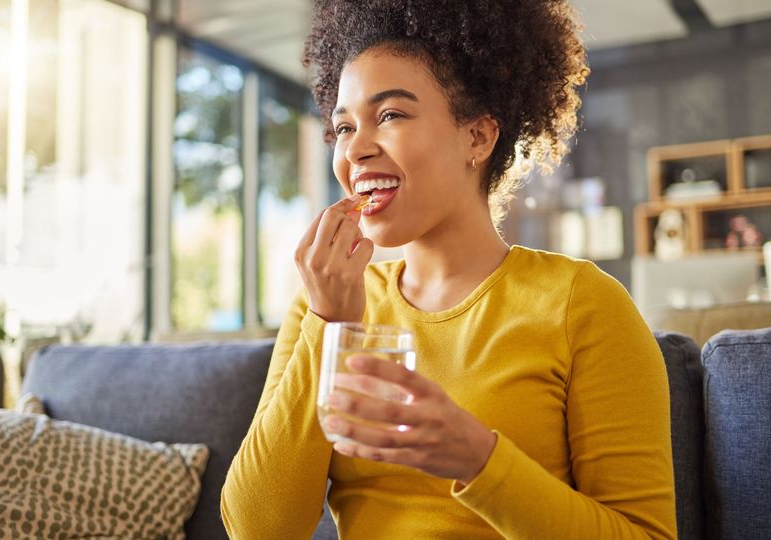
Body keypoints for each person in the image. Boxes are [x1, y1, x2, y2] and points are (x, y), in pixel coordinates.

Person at [221, 0, 676, 538]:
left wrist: (479, 460)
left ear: (477, 138)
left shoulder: (582, 303)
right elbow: (258, 529)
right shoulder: (327, 301)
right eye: (343, 127)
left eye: (390, 115)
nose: (356, 150)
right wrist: (331, 327)